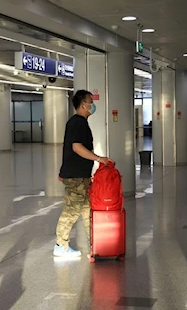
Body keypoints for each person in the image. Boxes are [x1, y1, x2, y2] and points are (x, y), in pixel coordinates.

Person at [54, 90, 112, 257]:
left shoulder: (79, 123)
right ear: (82, 104)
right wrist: (99, 158)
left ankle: (96, 244)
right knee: (71, 210)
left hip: (80, 175)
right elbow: (76, 147)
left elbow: (67, 149)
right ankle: (61, 245)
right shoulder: (78, 123)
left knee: (88, 211)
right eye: (90, 102)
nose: (92, 105)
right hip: (76, 176)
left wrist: (62, 170)